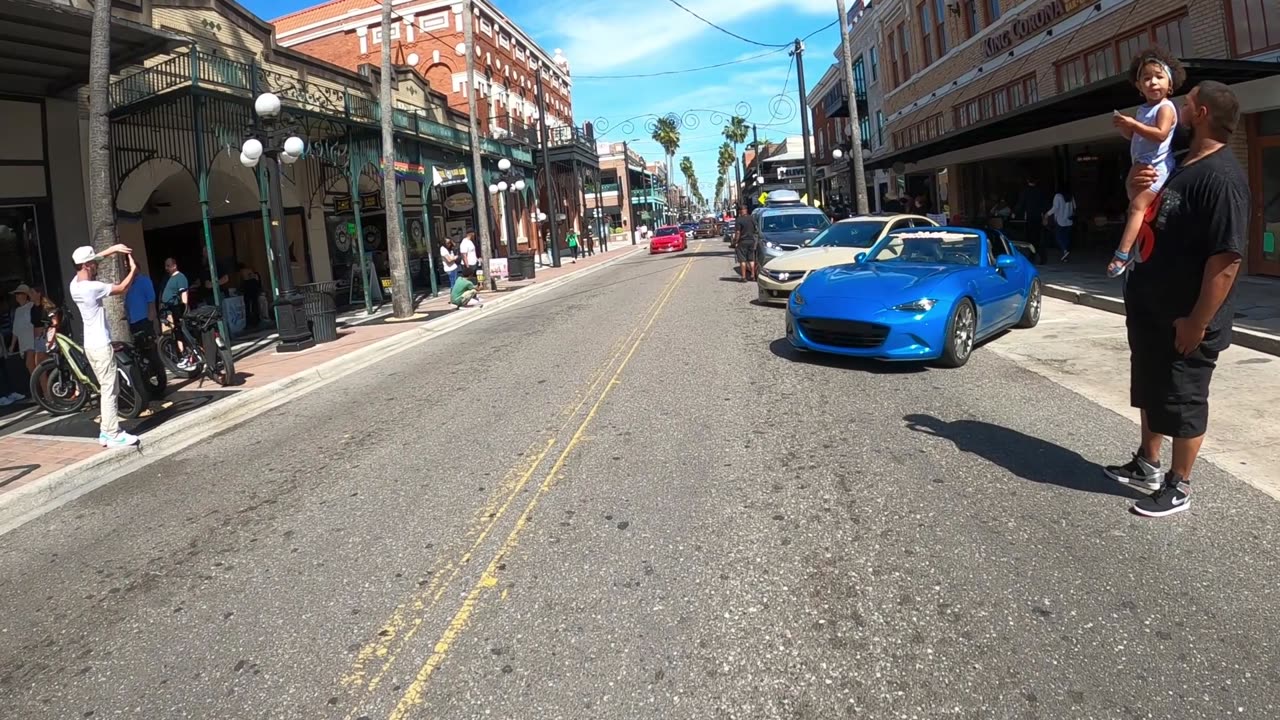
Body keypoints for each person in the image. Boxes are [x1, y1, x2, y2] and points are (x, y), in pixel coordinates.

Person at [1103, 81, 1248, 518]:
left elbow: (1225, 261)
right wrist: (1133, 192)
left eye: (1185, 104)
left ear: (1201, 113)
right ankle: (1147, 464)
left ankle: (1179, 485)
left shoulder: (1223, 178)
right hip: (1153, 310)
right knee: (1151, 388)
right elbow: (1151, 216)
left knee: (1184, 400)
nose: (1177, 109)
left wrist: (1197, 321)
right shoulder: (1184, 165)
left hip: (1186, 319)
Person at [1108, 48, 1185, 278]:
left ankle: (1121, 254)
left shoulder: (1166, 107)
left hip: (1156, 168)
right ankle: (1134, 249)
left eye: (1159, 77)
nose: (1153, 82)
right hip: (1141, 165)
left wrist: (1134, 125)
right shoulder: (1143, 110)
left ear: (1170, 84)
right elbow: (1136, 137)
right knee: (1137, 209)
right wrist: (1125, 129)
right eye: (1146, 78)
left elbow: (1160, 134)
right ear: (1139, 86)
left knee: (1137, 208)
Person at [69, 244, 140, 448]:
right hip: (101, 345)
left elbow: (94, 258)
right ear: (86, 265)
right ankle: (112, 433)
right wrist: (133, 270)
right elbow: (122, 288)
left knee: (106, 388)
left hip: (90, 345)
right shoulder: (93, 288)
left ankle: (105, 431)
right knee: (110, 389)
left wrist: (113, 249)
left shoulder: (74, 285)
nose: (96, 265)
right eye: (92, 263)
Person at [1015, 176, 1049, 265]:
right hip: (1038, 216)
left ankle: (1032, 256)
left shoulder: (1025, 192)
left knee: (1030, 238)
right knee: (1039, 237)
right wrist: (1045, 216)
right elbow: (1044, 204)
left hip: (1030, 216)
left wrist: (1015, 212)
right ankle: (1042, 257)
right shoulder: (1040, 191)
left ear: (1027, 181)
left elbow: (1021, 203)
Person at [1043, 183, 1076, 262]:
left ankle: (1065, 251)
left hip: (1060, 220)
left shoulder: (1058, 196)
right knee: (1065, 238)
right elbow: (1074, 207)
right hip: (1069, 220)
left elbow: (1055, 208)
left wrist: (1047, 214)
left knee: (1058, 237)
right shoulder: (1071, 196)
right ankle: (1065, 256)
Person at [124, 266, 157, 337]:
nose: (129, 271)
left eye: (131, 269)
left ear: (137, 269)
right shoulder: (129, 285)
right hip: (133, 322)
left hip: (144, 319)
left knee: (148, 344)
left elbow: (151, 299)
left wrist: (150, 318)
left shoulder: (144, 280)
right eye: (128, 270)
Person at [733, 204, 760, 282]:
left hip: (742, 241)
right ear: (746, 210)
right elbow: (756, 229)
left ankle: (744, 277)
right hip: (751, 241)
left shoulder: (739, 220)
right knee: (751, 259)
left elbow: (738, 232)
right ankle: (753, 275)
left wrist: (736, 241)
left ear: (740, 211)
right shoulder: (751, 218)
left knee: (742, 260)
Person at [238, 264, 263, 330]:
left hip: (247, 286)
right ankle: (257, 320)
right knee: (255, 304)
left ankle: (249, 322)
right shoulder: (251, 272)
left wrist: (240, 288)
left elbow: (242, 281)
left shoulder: (242, 272)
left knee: (247, 306)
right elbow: (257, 281)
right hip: (253, 286)